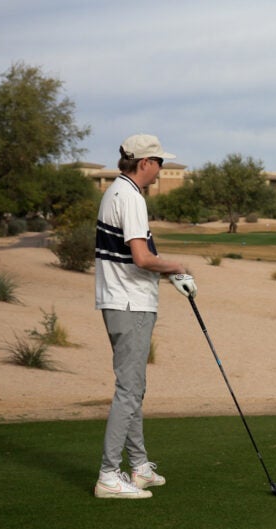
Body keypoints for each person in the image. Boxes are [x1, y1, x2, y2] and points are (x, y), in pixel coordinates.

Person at [93, 134, 198, 499]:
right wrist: (178, 266)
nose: (161, 170)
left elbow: (132, 258)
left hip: (119, 301)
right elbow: (142, 258)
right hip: (130, 304)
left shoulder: (114, 192)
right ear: (145, 163)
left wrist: (169, 275)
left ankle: (138, 467)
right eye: (159, 163)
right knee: (129, 390)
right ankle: (109, 475)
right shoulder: (131, 197)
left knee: (133, 387)